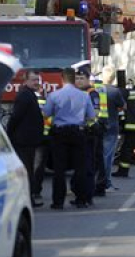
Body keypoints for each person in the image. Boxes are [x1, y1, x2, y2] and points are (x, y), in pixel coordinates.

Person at [42, 67, 96, 209]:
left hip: (59, 134)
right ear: (74, 79)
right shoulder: (84, 96)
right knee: (80, 167)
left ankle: (58, 202)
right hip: (78, 133)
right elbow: (91, 116)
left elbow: (46, 113)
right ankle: (81, 199)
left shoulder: (54, 96)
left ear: (62, 78)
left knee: (59, 169)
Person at [6, 70, 45, 207]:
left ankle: (29, 198)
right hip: (24, 140)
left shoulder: (29, 94)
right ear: (26, 80)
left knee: (28, 169)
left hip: (29, 139)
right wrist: (8, 134)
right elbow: (16, 117)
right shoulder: (24, 95)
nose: (36, 82)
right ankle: (27, 199)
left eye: (37, 80)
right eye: (34, 80)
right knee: (27, 169)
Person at [74, 69, 104, 205]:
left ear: (87, 80)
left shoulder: (92, 94)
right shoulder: (76, 93)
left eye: (81, 78)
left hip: (89, 133)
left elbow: (94, 113)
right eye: (77, 78)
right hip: (77, 133)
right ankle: (81, 193)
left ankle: (88, 194)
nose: (79, 81)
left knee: (89, 166)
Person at [97, 65, 126, 194]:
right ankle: (106, 183)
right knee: (107, 157)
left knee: (96, 156)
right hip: (111, 127)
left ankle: (97, 182)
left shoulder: (95, 90)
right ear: (114, 78)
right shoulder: (115, 92)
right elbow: (123, 106)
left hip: (97, 127)